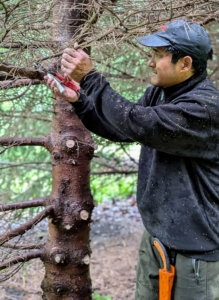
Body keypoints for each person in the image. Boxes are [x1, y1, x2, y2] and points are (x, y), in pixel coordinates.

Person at [45, 19, 219, 300]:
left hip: (196, 251)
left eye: (158, 56)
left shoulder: (205, 108)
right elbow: (124, 128)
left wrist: (91, 78)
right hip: (157, 237)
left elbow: (138, 122)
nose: (151, 63)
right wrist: (81, 101)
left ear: (185, 63)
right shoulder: (161, 93)